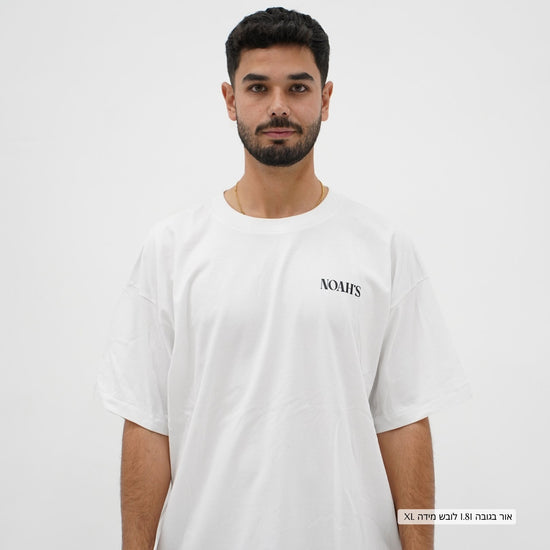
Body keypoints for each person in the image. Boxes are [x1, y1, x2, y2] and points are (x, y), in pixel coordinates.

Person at [97, 7, 471, 550]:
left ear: (326, 98)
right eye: (258, 87)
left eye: (298, 87)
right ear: (230, 100)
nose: (278, 106)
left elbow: (404, 420)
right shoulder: (172, 248)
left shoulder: (382, 247)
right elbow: (147, 423)